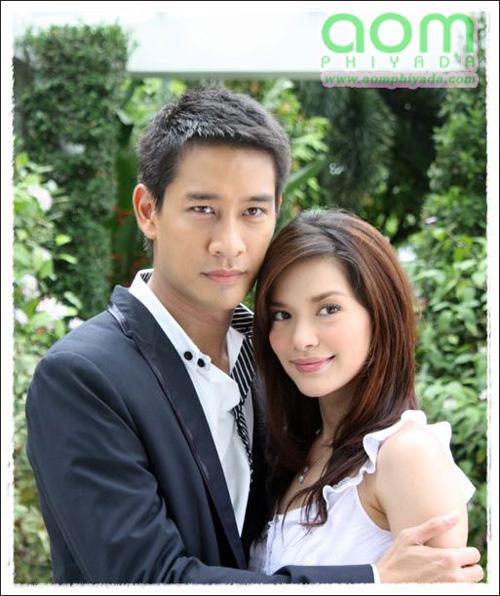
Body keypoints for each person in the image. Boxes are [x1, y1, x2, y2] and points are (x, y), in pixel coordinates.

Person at [26, 88, 483, 584]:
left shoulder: (276, 362)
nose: (229, 244)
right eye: (203, 209)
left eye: (253, 212)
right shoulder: (83, 377)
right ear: (147, 210)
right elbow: (145, 580)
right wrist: (369, 582)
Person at [249, 209, 478, 577]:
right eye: (281, 315)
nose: (301, 339)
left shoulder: (405, 456)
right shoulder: (294, 451)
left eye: (328, 309)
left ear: (380, 312)